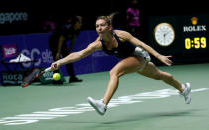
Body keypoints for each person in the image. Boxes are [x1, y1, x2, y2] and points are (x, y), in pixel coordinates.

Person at [51, 16, 191, 115]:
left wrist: (159, 56)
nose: (99, 28)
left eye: (102, 25)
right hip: (133, 61)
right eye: (97, 26)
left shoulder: (121, 35)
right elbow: (79, 54)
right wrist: (59, 62)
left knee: (114, 72)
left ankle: (103, 104)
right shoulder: (98, 44)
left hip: (140, 56)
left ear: (110, 27)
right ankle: (183, 88)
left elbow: (142, 44)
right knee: (159, 75)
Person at [49, 15, 83, 83]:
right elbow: (61, 39)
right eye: (80, 22)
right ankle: (56, 80)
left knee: (69, 59)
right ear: (75, 23)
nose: (81, 24)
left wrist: (70, 51)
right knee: (56, 59)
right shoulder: (67, 28)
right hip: (54, 41)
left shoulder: (77, 30)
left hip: (62, 42)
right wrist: (58, 52)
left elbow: (73, 39)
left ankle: (72, 77)